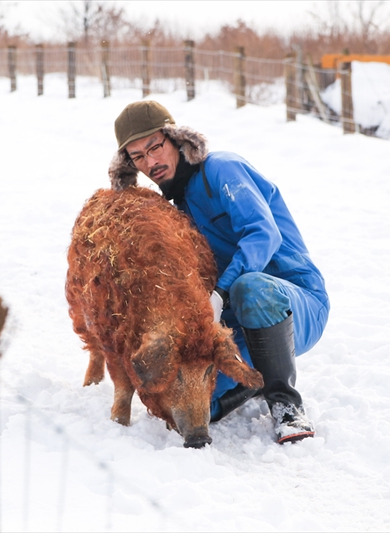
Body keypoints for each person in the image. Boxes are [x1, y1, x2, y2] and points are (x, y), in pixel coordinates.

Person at [108, 100, 329, 444]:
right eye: (138, 157)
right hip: (235, 318)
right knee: (191, 408)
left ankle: (285, 405)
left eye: (155, 147)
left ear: (176, 139)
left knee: (250, 287)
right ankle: (256, 381)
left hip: (293, 303)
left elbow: (263, 234)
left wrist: (221, 292)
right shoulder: (175, 206)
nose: (151, 162)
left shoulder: (222, 170)